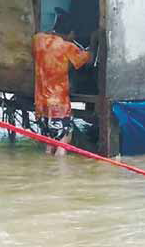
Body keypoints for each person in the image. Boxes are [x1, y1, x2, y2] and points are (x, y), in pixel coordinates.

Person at [31, 8, 95, 156]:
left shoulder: (38, 40)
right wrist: (93, 40)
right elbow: (88, 60)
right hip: (58, 105)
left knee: (48, 144)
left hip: (41, 103)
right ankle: (60, 176)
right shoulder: (67, 47)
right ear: (71, 33)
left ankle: (47, 172)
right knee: (62, 144)